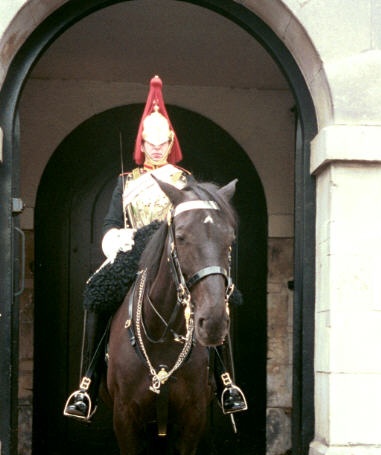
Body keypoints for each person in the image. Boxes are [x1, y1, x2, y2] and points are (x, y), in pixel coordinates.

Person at [64, 75, 247, 422]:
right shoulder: (126, 183)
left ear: (171, 142)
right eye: (151, 143)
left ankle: (225, 383)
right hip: (135, 251)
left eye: (163, 143)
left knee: (224, 296)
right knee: (96, 293)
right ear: (143, 143)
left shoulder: (185, 181)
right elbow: (109, 222)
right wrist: (115, 238)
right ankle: (87, 385)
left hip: (174, 253)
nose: (157, 149)